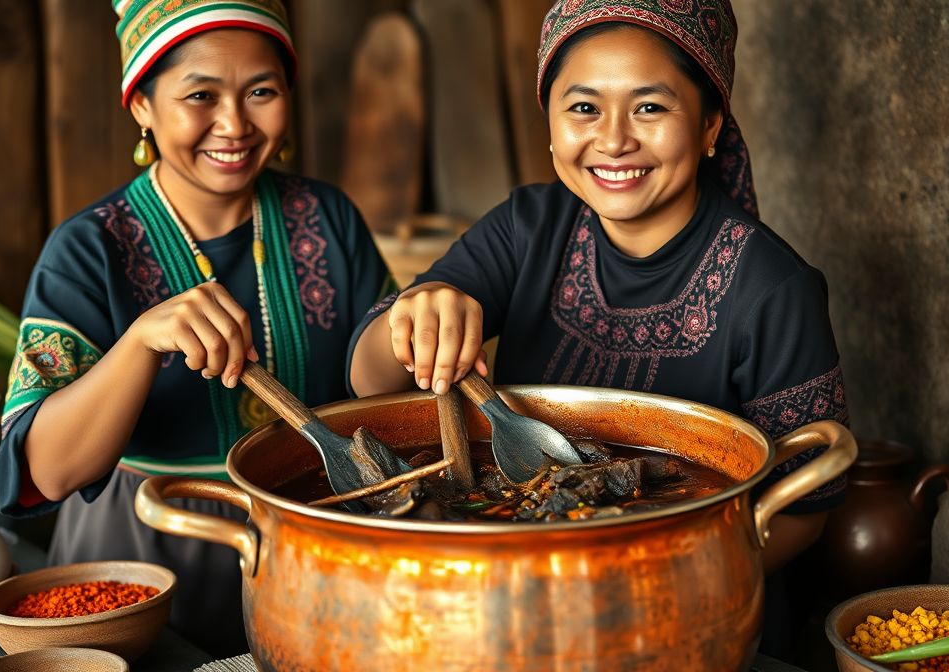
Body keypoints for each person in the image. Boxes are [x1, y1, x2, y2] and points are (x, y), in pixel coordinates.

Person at [349, 0, 846, 576]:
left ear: (711, 124)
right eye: (584, 107)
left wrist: (663, 588)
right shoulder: (528, 228)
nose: (613, 141)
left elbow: (805, 510)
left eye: (650, 107)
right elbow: (370, 382)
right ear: (551, 125)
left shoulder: (774, 289)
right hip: (513, 576)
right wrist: (421, 312)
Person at [0, 0, 393, 657]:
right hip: (140, 568)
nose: (234, 124)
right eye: (200, 95)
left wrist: (423, 325)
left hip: (311, 551)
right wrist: (141, 342)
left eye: (260, 91)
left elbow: (382, 391)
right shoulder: (89, 249)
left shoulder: (327, 218)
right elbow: (47, 470)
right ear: (143, 106)